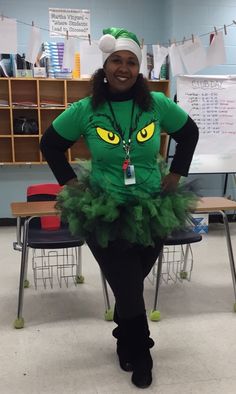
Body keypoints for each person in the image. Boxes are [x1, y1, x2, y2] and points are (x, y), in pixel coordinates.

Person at [40, 27, 199, 389]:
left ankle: (124, 338)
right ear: (105, 66)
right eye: (116, 61)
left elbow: (189, 134)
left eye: (130, 62)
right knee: (128, 287)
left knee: (130, 285)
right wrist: (70, 183)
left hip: (152, 208)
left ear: (138, 68)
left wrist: (176, 174)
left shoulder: (156, 104)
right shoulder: (86, 109)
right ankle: (142, 352)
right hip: (103, 212)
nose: (123, 68)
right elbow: (49, 144)